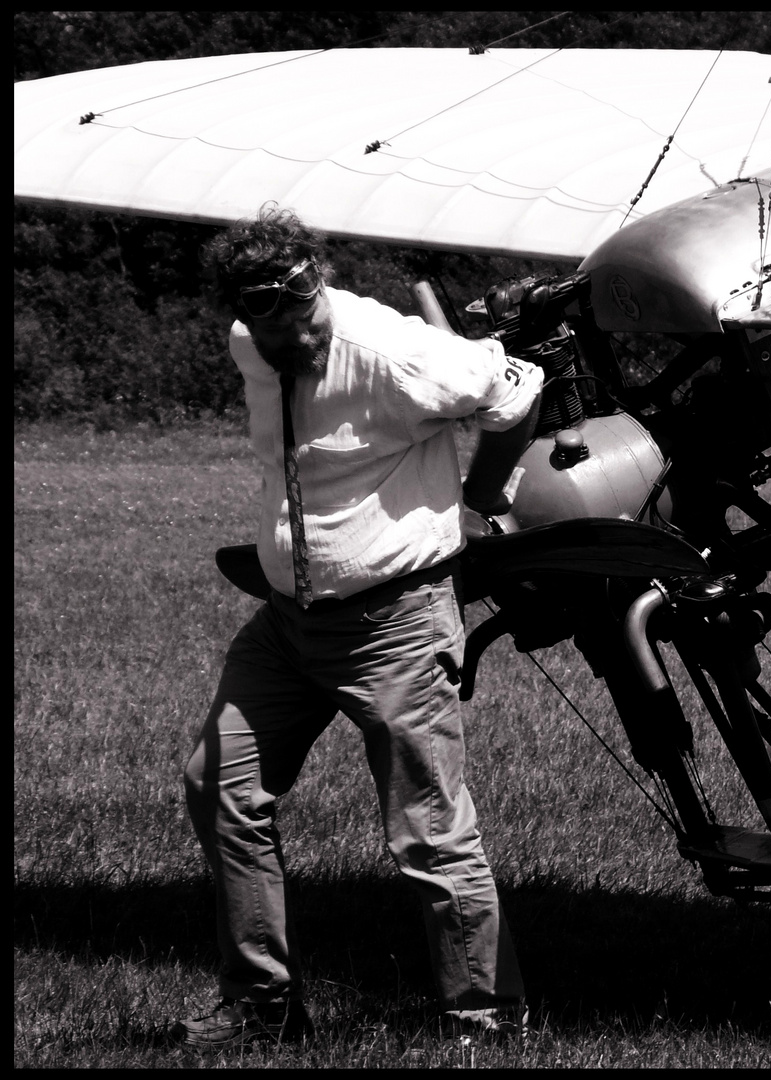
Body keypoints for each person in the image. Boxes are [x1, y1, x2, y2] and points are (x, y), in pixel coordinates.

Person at [174, 204, 543, 1049]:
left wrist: (483, 496)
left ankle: (483, 1020)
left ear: (320, 278)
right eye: (271, 307)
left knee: (428, 829)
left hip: (397, 625)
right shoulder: (248, 344)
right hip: (287, 625)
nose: (298, 322)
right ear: (242, 311)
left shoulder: (392, 352)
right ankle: (262, 1010)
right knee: (220, 786)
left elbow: (517, 388)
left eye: (306, 296)